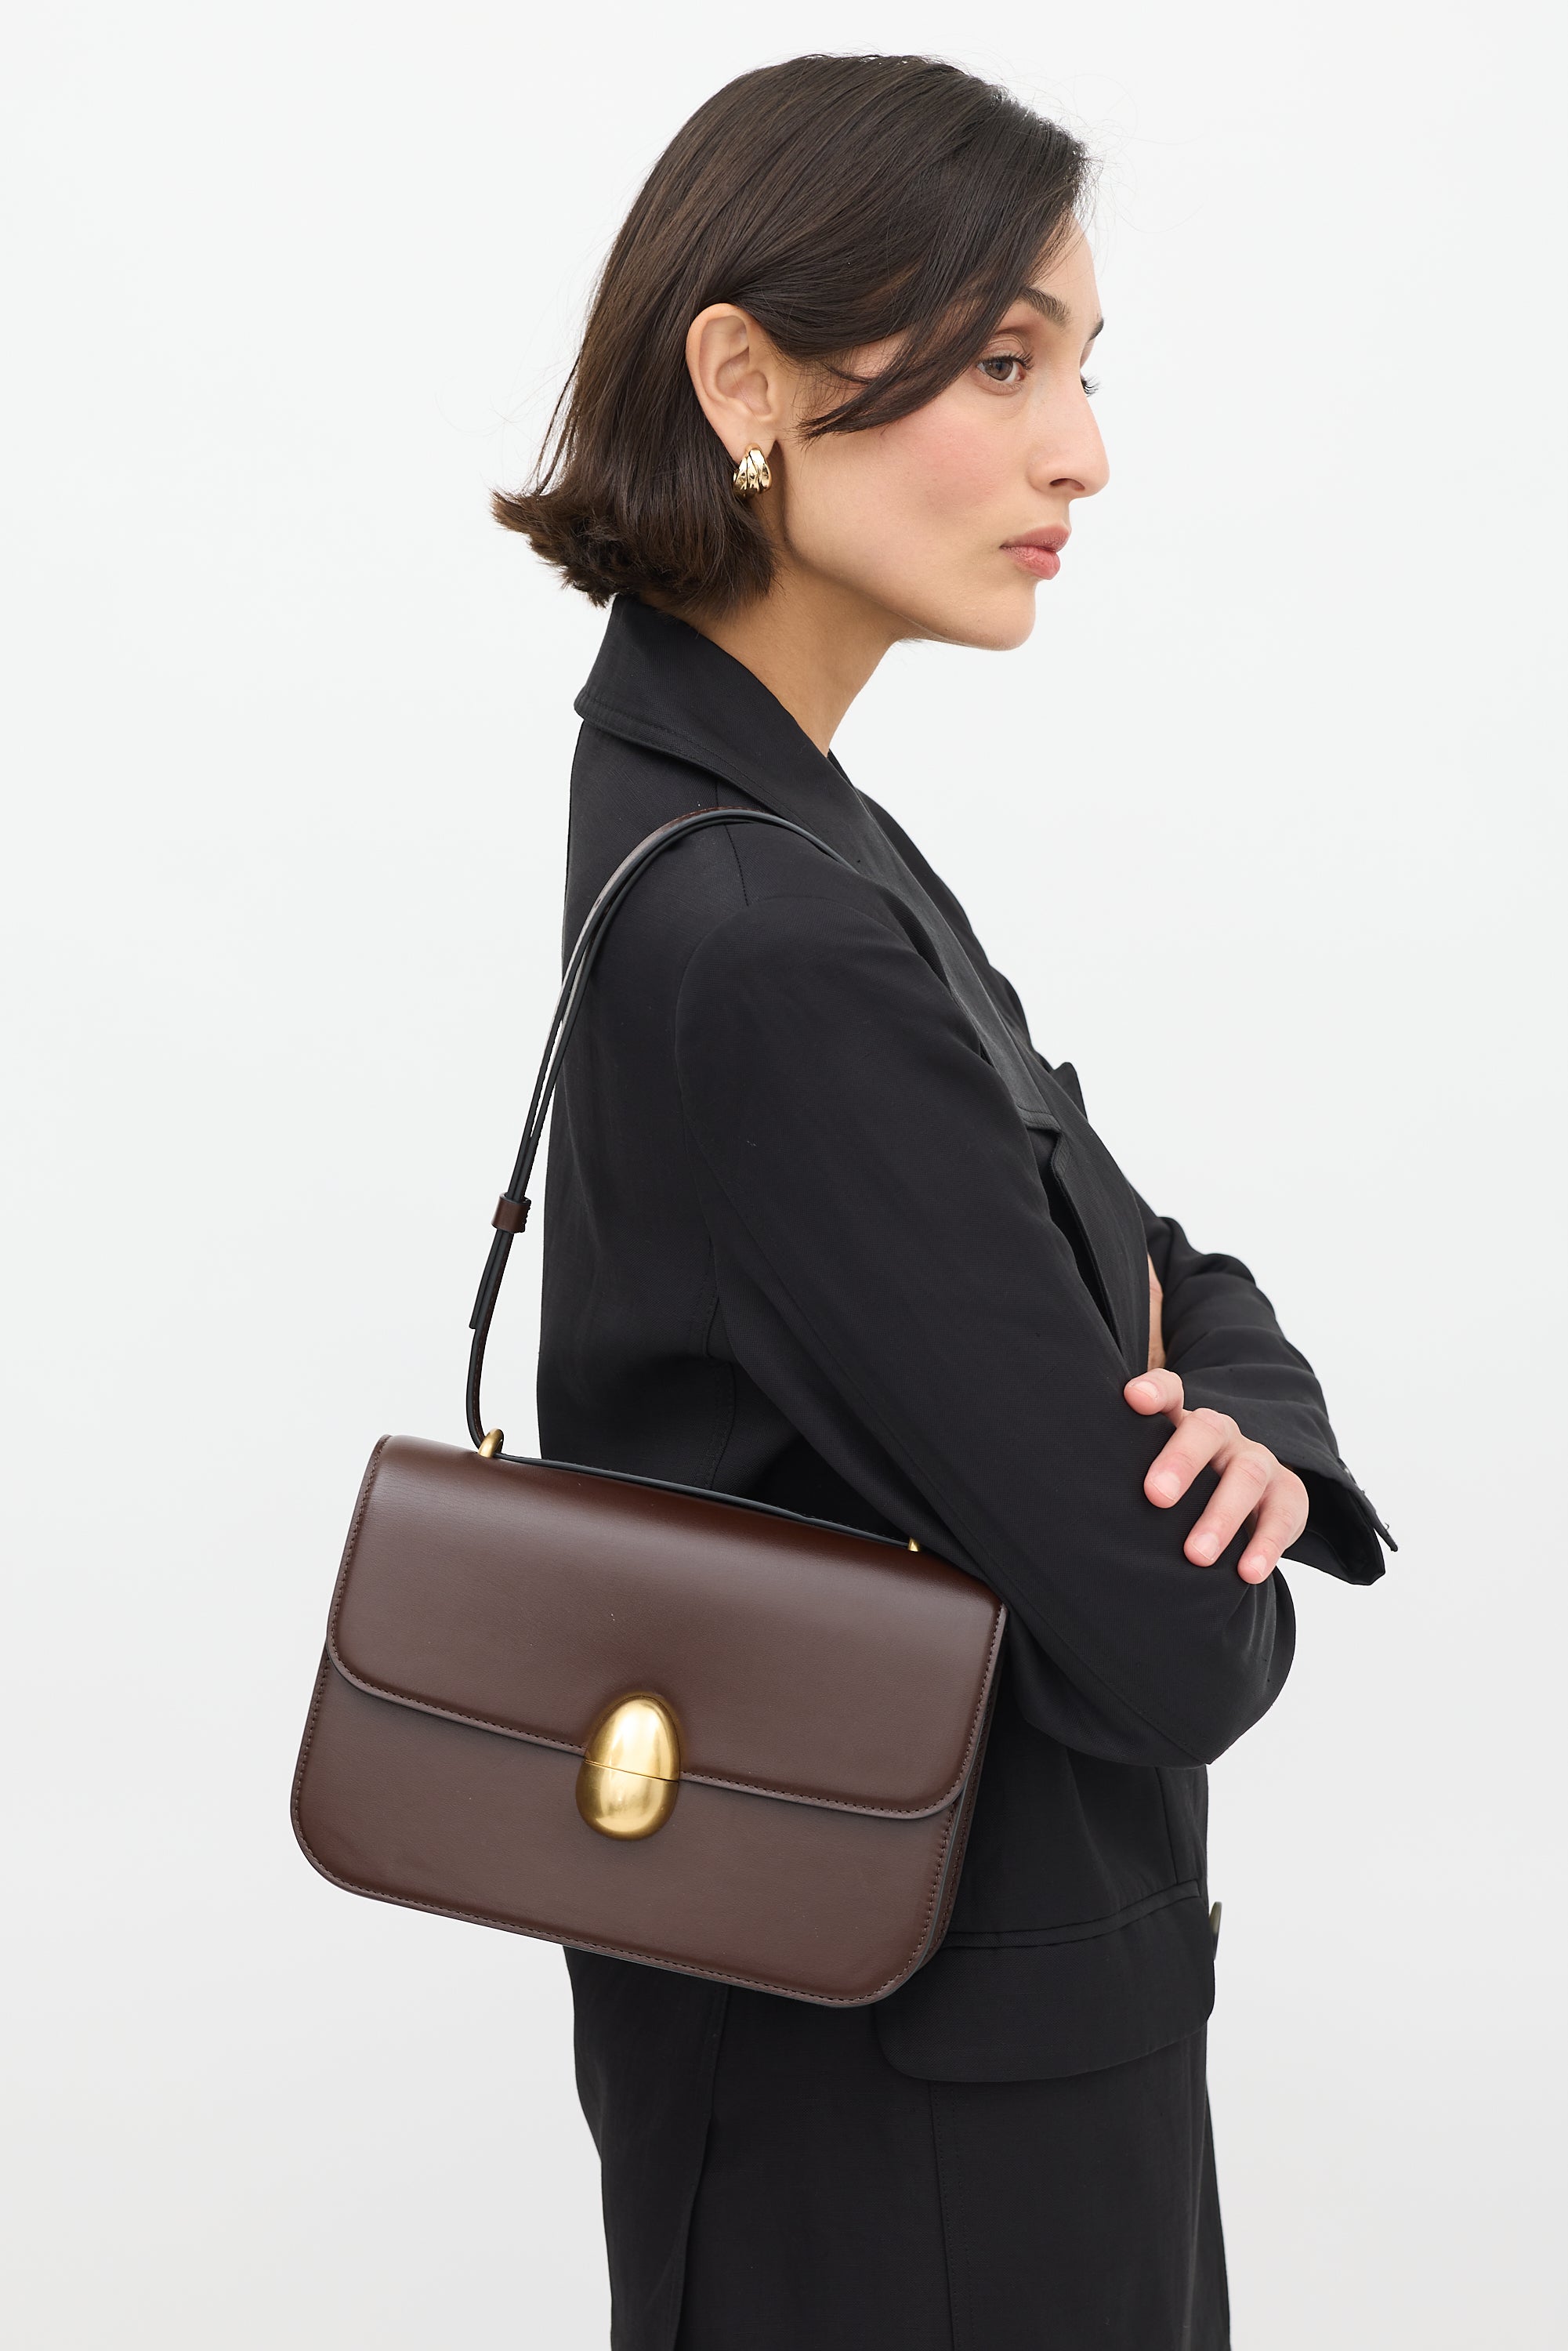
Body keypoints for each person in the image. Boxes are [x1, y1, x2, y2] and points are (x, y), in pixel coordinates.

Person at [493, 51, 1392, 2351]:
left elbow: (1153, 1259)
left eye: (1081, 367)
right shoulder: (769, 933)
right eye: (1003, 361)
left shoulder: (758, 819)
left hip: (898, 2088)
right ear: (745, 383)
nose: (1079, 449)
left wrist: (1248, 1429)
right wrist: (1218, 1520)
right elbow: (1169, 1649)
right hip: (919, 2171)